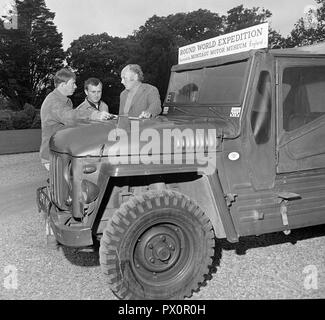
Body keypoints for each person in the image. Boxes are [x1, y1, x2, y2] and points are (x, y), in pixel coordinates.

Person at [40, 68, 110, 170]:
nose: (75, 86)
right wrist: (94, 115)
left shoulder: (66, 100)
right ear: (63, 85)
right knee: (66, 184)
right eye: (73, 83)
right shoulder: (53, 102)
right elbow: (69, 116)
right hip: (54, 154)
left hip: (61, 151)